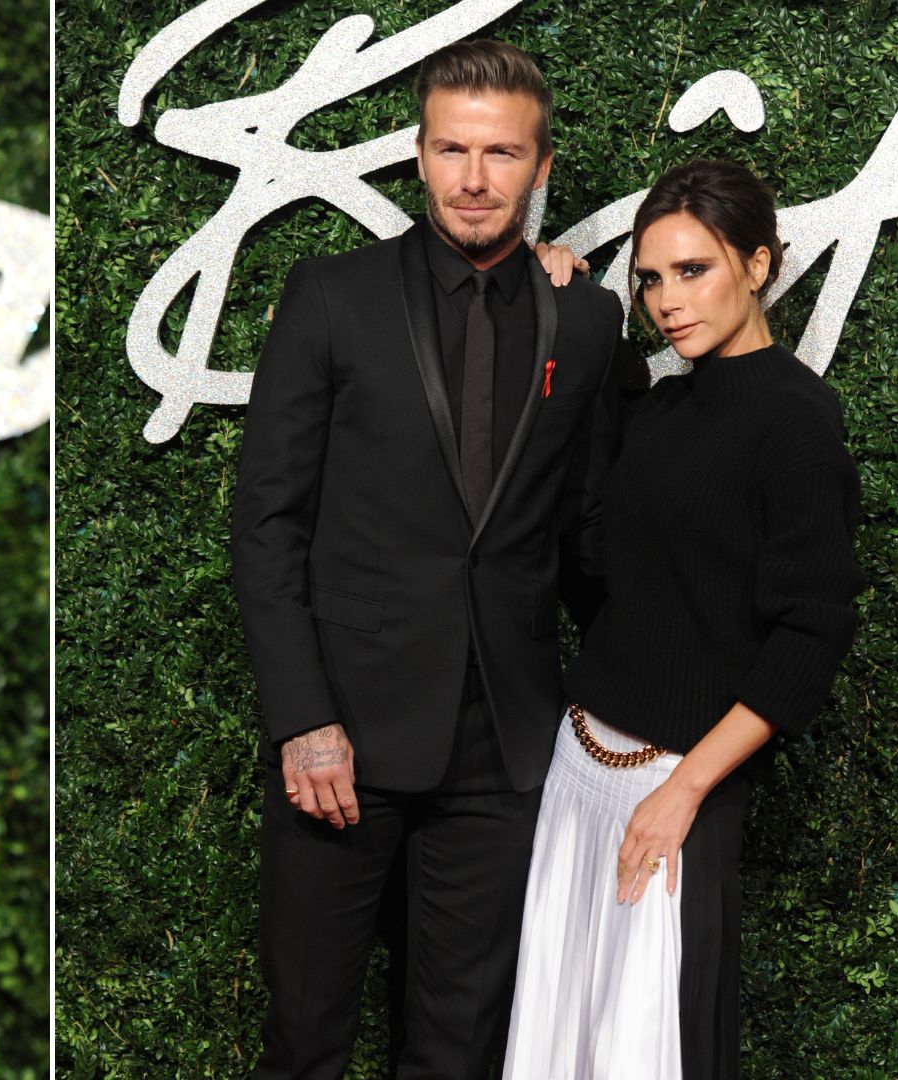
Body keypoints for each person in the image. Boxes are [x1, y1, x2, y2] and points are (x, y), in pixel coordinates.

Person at [230, 38, 638, 1079]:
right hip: (344, 741)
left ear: (540, 168)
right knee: (307, 1039)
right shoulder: (331, 295)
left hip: (502, 753)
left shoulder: (587, 324)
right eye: (452, 149)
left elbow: (589, 532)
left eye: (501, 154)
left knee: (459, 1052)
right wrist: (304, 720)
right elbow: (267, 521)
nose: (472, 178)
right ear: (418, 155)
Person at [501, 158, 864, 1079]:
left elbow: (810, 637)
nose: (667, 300)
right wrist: (573, 294)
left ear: (759, 264)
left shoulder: (796, 419)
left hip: (672, 789)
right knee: (557, 1042)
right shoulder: (661, 405)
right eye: (650, 279)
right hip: (577, 770)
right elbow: (601, 558)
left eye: (694, 270)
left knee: (644, 1052)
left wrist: (685, 791)